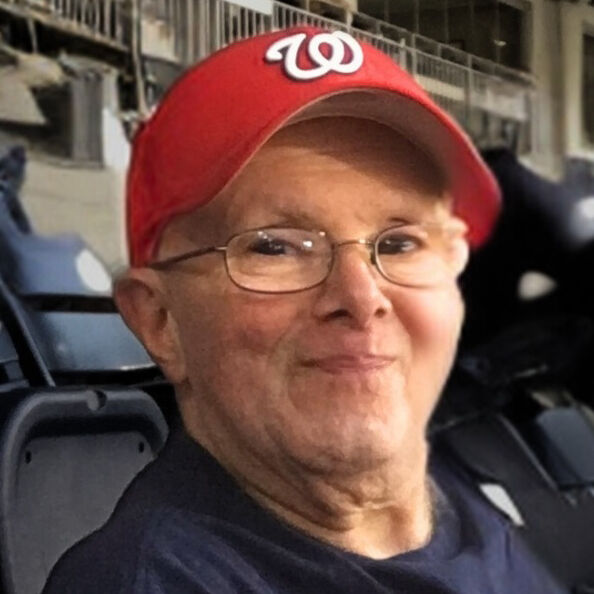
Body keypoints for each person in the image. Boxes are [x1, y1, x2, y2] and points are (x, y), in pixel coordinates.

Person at [42, 27, 565, 593]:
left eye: (400, 243)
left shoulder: (466, 504)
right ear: (160, 321)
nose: (363, 298)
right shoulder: (153, 582)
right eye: (275, 247)